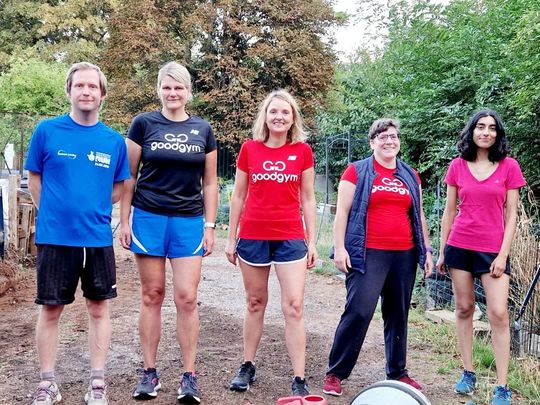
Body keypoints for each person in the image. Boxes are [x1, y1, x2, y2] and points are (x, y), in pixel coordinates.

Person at [25, 62, 130, 405]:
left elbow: (118, 187)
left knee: (98, 309)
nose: (86, 92)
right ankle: (46, 383)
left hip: (96, 239)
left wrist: (93, 209)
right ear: (69, 91)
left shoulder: (113, 141)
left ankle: (97, 382)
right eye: (80, 86)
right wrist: (55, 213)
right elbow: (35, 180)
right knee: (51, 309)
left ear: (102, 95)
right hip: (55, 238)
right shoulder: (46, 131)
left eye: (93, 87)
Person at [119, 61, 218, 404]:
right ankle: (149, 372)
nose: (172, 93)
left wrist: (209, 225)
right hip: (148, 217)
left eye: (179, 87)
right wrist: (125, 218)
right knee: (152, 295)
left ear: (188, 91)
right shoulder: (143, 124)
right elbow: (128, 175)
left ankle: (189, 375)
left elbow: (210, 182)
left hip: (189, 221)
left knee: (187, 298)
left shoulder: (203, 129)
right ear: (159, 89)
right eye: (167, 87)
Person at [322, 118, 434, 397]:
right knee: (359, 311)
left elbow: (418, 215)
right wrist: (340, 248)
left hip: (404, 254)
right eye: (382, 136)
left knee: (398, 313)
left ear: (399, 142)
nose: (389, 141)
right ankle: (336, 372)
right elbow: (343, 213)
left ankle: (397, 372)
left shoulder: (411, 175)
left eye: (393, 136)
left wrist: (427, 250)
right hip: (367, 252)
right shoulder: (356, 171)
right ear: (372, 142)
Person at [224, 89, 317, 396]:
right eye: (273, 111)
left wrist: (312, 241)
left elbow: (307, 198)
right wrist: (230, 238)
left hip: (290, 237)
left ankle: (299, 378)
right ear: (265, 116)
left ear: (293, 119)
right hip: (252, 236)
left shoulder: (302, 151)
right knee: (255, 303)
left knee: (294, 306)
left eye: (285, 112)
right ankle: (247, 366)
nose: (279, 117)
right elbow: (238, 195)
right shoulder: (249, 149)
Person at [436, 110, 525, 405]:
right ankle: (468, 372)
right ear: (471, 131)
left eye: (491, 128)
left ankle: (502, 386)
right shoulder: (458, 166)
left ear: (497, 133)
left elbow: (511, 215)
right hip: (460, 245)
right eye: (480, 127)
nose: (485, 132)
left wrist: (503, 255)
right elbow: (449, 211)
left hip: (492, 250)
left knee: (498, 313)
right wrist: (442, 250)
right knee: (464, 308)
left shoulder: (509, 166)